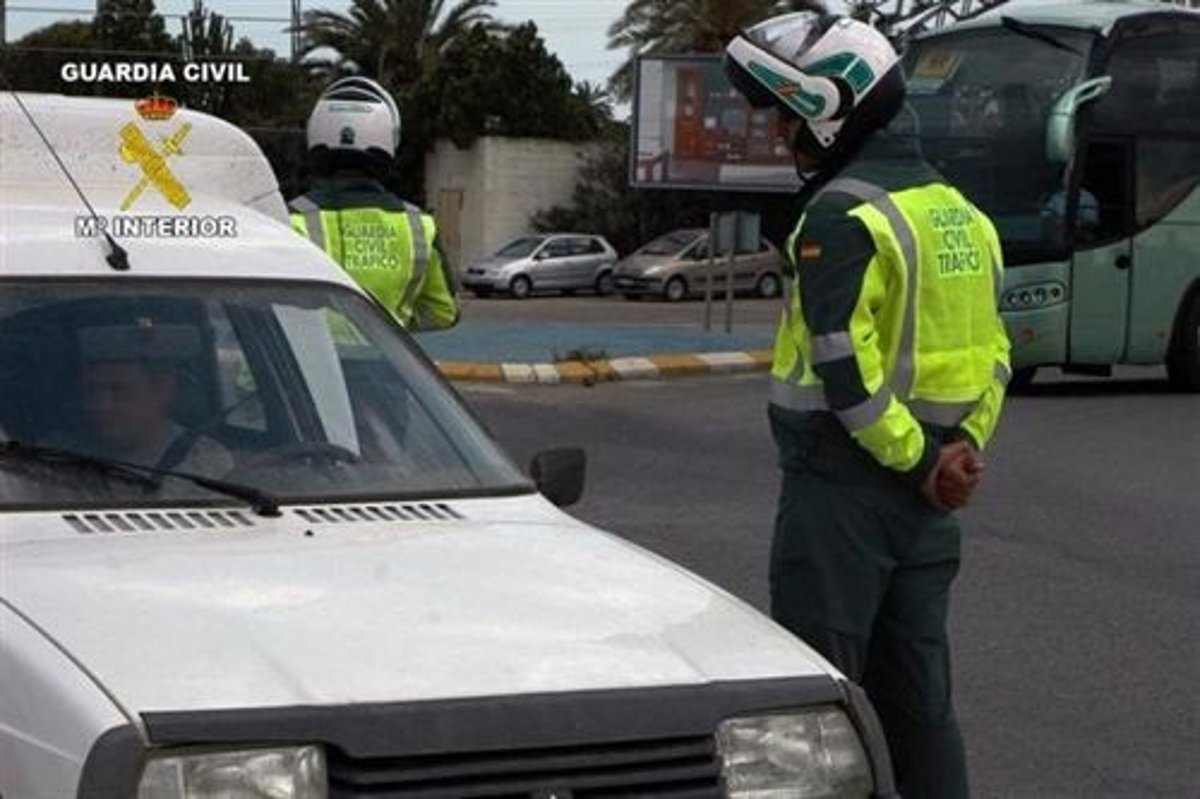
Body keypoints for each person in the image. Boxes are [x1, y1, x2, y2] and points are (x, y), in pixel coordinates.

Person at [724, 12, 1011, 798]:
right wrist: (959, 453)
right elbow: (995, 355)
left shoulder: (841, 214)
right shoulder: (965, 215)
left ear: (830, 112)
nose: (780, 132)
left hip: (841, 495)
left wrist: (919, 462)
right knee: (922, 708)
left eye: (787, 115)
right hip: (930, 506)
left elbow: (844, 369)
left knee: (817, 707)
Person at [290, 77, 460, 331]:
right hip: (383, 356)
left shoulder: (290, 219)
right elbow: (444, 313)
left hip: (310, 356)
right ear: (388, 140)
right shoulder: (419, 226)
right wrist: (392, 329)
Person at [74, 324, 233, 476]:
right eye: (92, 391)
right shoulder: (69, 456)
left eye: (119, 391)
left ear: (163, 389)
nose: (102, 405)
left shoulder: (206, 463)